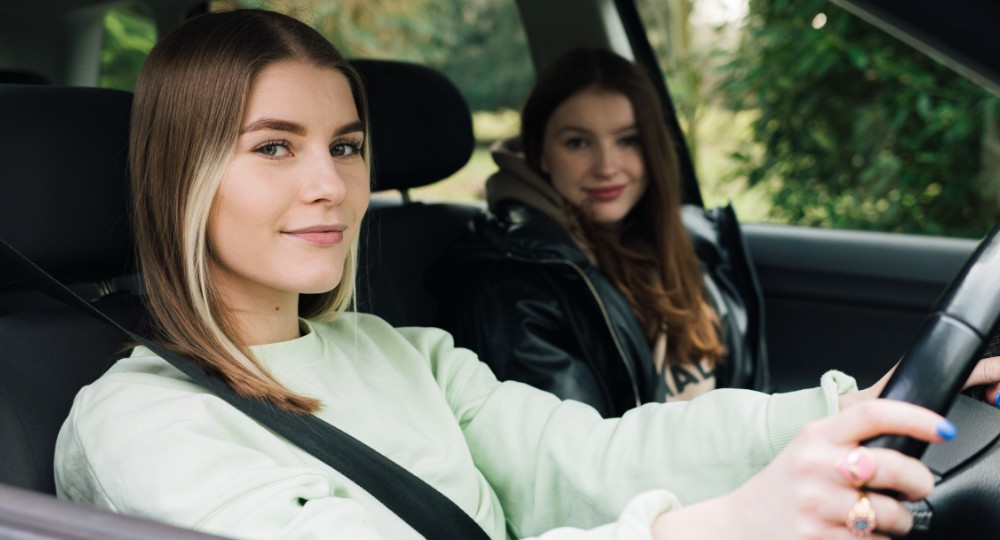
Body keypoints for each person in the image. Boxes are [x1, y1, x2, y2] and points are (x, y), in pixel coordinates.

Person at [52, 9, 1000, 540]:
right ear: (185, 175)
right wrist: (711, 528)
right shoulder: (142, 425)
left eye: (345, 146)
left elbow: (589, 458)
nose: (329, 186)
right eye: (273, 146)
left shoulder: (397, 351)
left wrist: (846, 412)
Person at [437, 48, 762, 418]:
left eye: (628, 140)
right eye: (578, 142)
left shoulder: (691, 242)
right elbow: (580, 462)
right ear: (540, 153)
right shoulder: (510, 291)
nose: (607, 166)